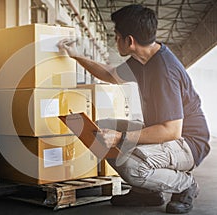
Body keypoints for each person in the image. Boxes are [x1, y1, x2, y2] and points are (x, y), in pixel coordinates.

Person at [57, 4, 210, 214]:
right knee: (98, 131)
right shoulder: (142, 59)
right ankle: (148, 192)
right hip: (165, 134)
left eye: (116, 36)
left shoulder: (164, 71)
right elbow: (111, 74)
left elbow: (171, 131)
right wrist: (76, 56)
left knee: (131, 165)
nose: (114, 40)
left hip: (187, 143)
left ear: (129, 41)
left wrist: (120, 137)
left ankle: (185, 184)